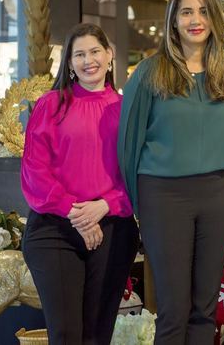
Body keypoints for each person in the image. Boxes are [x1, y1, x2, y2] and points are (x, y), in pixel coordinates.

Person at [117, 0, 224, 345]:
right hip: (164, 197)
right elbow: (128, 145)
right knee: (173, 309)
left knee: (206, 310)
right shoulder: (149, 74)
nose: (196, 20)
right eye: (187, 11)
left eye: (203, 11)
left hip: (217, 197)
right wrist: (143, 206)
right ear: (173, 20)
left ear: (214, 19)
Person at [21, 23, 139, 345]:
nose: (89, 60)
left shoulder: (127, 110)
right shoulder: (51, 104)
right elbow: (34, 170)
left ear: (110, 55)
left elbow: (137, 173)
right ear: (70, 63)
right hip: (54, 229)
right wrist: (77, 213)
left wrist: (104, 206)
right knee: (66, 335)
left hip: (112, 228)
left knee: (97, 335)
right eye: (80, 54)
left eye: (95, 51)